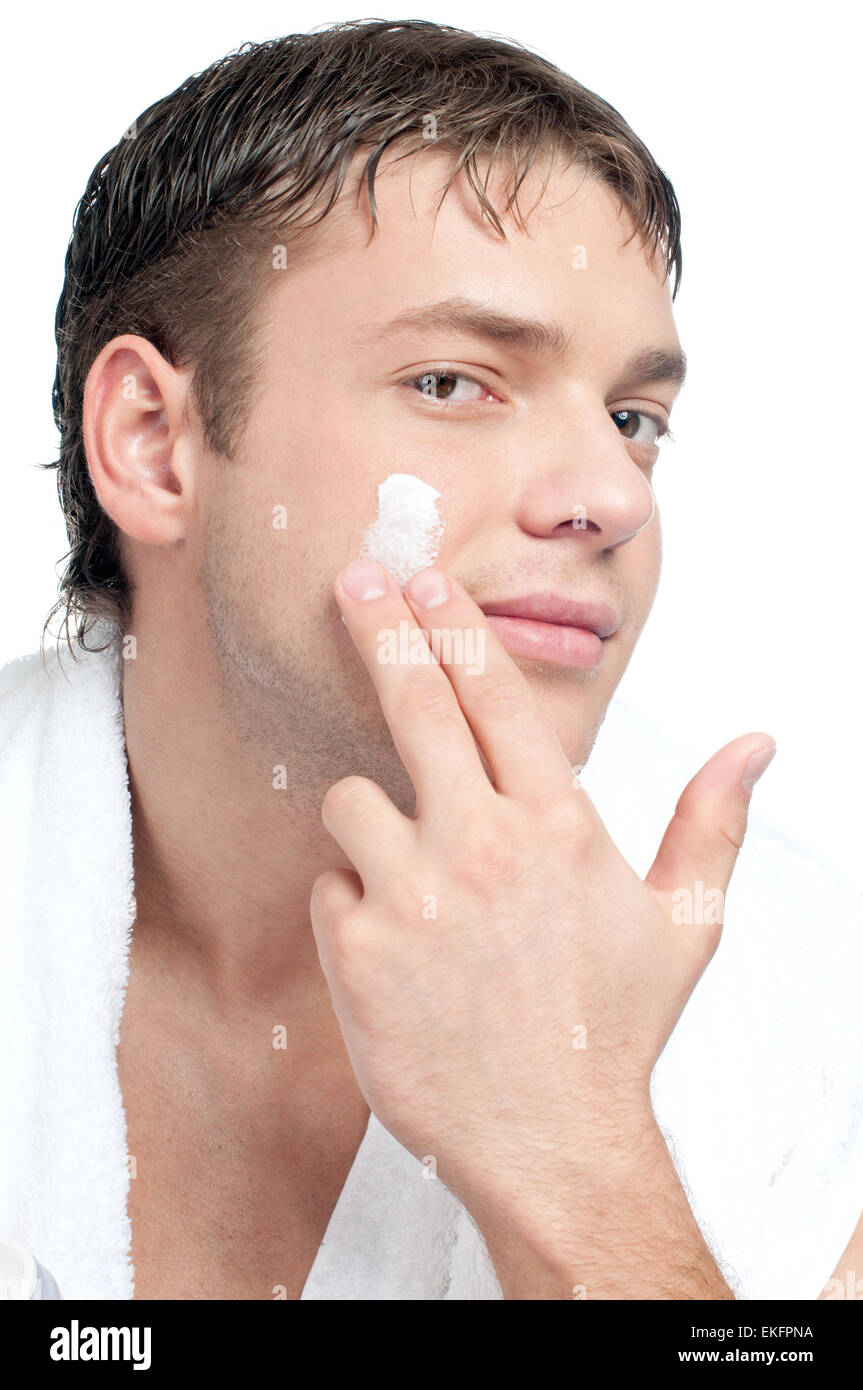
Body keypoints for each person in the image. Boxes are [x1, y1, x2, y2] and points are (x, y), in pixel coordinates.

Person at [1, 18, 860, 1301]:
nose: (608, 496)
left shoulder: (823, 1035)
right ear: (151, 443)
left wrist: (574, 1150)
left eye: (634, 421)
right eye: (455, 383)